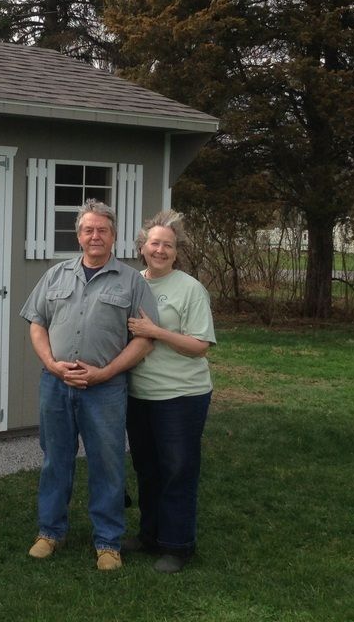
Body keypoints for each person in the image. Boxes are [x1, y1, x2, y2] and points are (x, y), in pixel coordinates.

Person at [20, 199, 159, 570]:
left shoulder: (132, 281)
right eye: (88, 230)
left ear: (113, 236)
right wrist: (51, 364)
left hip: (105, 389)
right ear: (78, 235)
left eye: (102, 230)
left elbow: (145, 339)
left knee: (108, 464)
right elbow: (37, 323)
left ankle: (108, 542)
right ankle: (50, 532)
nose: (94, 236)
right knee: (55, 461)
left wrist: (105, 372)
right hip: (56, 385)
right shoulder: (55, 275)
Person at [124, 209, 216, 574]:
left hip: (181, 396)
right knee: (147, 469)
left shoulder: (190, 289)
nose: (160, 250)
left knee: (178, 469)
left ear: (177, 252)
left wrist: (156, 331)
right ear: (142, 247)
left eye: (168, 245)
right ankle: (150, 536)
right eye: (154, 243)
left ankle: (178, 546)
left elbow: (200, 346)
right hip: (139, 394)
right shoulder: (131, 283)